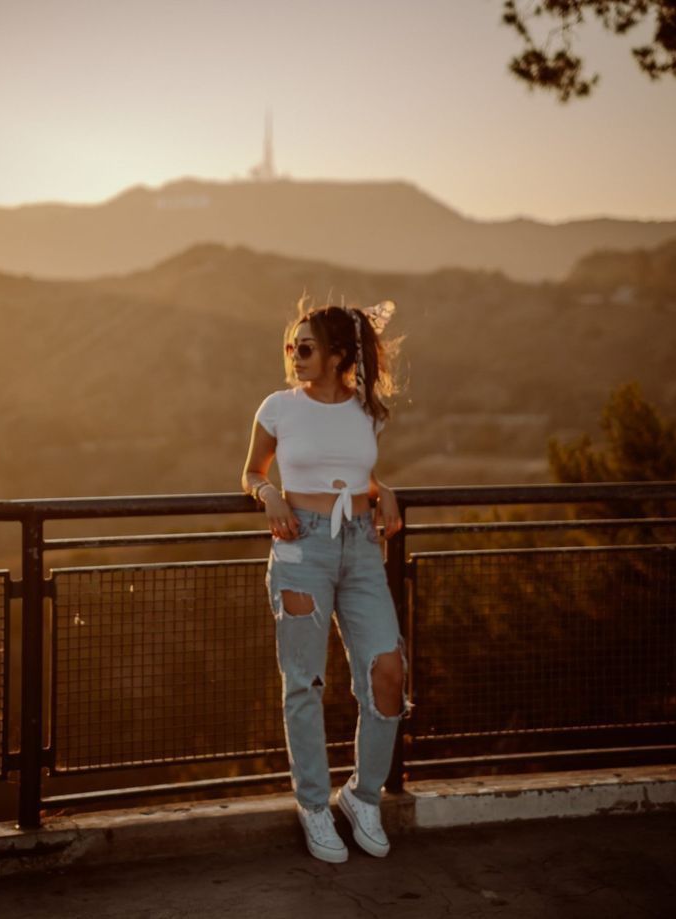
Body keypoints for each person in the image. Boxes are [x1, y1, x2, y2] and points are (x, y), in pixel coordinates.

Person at [241, 294, 410, 863]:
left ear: (340, 354)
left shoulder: (364, 408)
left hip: (361, 547)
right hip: (300, 547)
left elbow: (353, 471)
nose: (296, 354)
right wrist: (268, 495)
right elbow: (250, 472)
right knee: (304, 682)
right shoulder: (279, 407)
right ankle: (314, 804)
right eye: (292, 345)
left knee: (388, 669)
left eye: (307, 346)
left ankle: (363, 796)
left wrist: (379, 489)